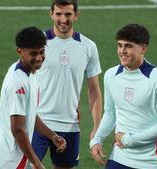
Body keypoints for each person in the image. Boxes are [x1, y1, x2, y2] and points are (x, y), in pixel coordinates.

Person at [90, 23, 157, 169]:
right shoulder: (111, 76)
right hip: (119, 158)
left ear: (143, 48)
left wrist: (129, 140)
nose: (122, 51)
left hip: (151, 162)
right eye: (120, 45)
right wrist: (97, 139)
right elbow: (111, 112)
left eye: (128, 46)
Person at [31, 0, 102, 168]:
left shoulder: (88, 47)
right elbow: (22, 78)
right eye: (58, 14)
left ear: (76, 15)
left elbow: (94, 90)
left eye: (68, 14)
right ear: (51, 14)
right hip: (37, 123)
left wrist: (96, 127)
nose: (63, 19)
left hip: (69, 125)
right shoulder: (37, 43)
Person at [0, 26, 66, 169]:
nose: (39, 58)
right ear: (19, 51)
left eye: (42, 52)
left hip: (17, 158)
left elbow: (29, 114)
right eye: (33, 53)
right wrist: (36, 162)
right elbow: (17, 128)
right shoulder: (18, 82)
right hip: (9, 160)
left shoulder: (30, 73)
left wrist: (52, 135)